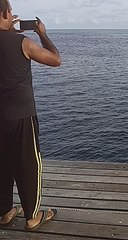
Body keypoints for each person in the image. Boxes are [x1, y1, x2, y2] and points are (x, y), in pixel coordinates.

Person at [0, 0, 61, 231]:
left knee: (2, 164)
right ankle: (32, 217)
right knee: (28, 165)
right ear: (6, 12)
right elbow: (55, 60)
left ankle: (5, 212)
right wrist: (41, 34)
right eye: (11, 12)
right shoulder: (22, 42)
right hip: (21, 116)